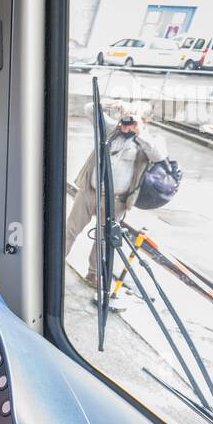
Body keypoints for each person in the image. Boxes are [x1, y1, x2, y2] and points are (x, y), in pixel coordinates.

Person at [63, 102, 168, 287]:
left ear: (145, 121)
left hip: (117, 199)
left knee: (103, 239)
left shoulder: (150, 140)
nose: (129, 122)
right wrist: (115, 104)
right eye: (128, 117)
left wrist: (139, 131)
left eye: (136, 118)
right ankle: (55, 261)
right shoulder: (112, 129)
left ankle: (94, 274)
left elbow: (159, 156)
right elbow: (89, 108)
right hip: (90, 191)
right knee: (70, 229)